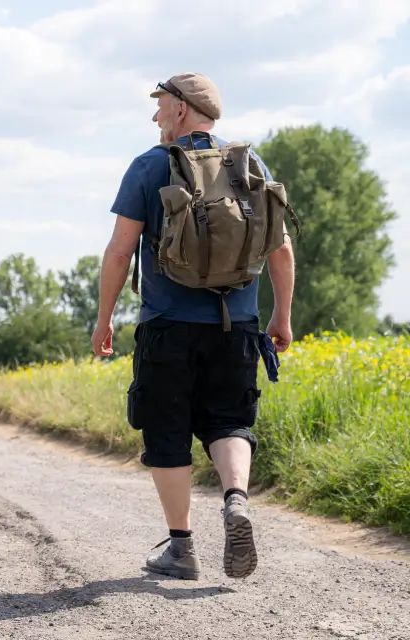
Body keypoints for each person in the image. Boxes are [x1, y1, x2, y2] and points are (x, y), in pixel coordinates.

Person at [91, 72, 296, 580]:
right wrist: (280, 317)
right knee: (229, 419)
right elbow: (281, 249)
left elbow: (120, 253)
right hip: (239, 327)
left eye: (160, 104)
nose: (155, 114)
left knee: (167, 430)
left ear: (181, 109)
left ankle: (181, 548)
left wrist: (104, 320)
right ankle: (235, 500)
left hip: (167, 327)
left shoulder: (149, 166)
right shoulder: (248, 164)